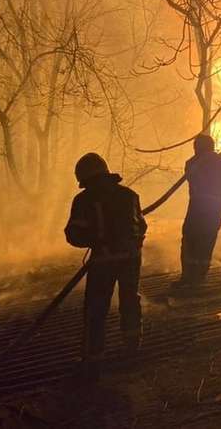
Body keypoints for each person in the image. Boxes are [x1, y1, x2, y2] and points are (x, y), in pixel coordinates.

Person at [64, 152, 147, 381]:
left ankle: (93, 359)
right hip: (131, 259)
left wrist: (96, 240)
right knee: (130, 300)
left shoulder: (83, 201)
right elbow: (142, 226)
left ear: (85, 179)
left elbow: (73, 234)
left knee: (96, 309)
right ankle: (132, 347)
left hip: (103, 261)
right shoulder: (130, 195)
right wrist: (133, 245)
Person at [175, 134, 221, 287]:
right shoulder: (217, 162)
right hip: (212, 212)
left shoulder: (191, 163)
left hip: (195, 211)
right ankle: (197, 278)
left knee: (190, 242)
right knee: (205, 243)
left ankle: (188, 277)